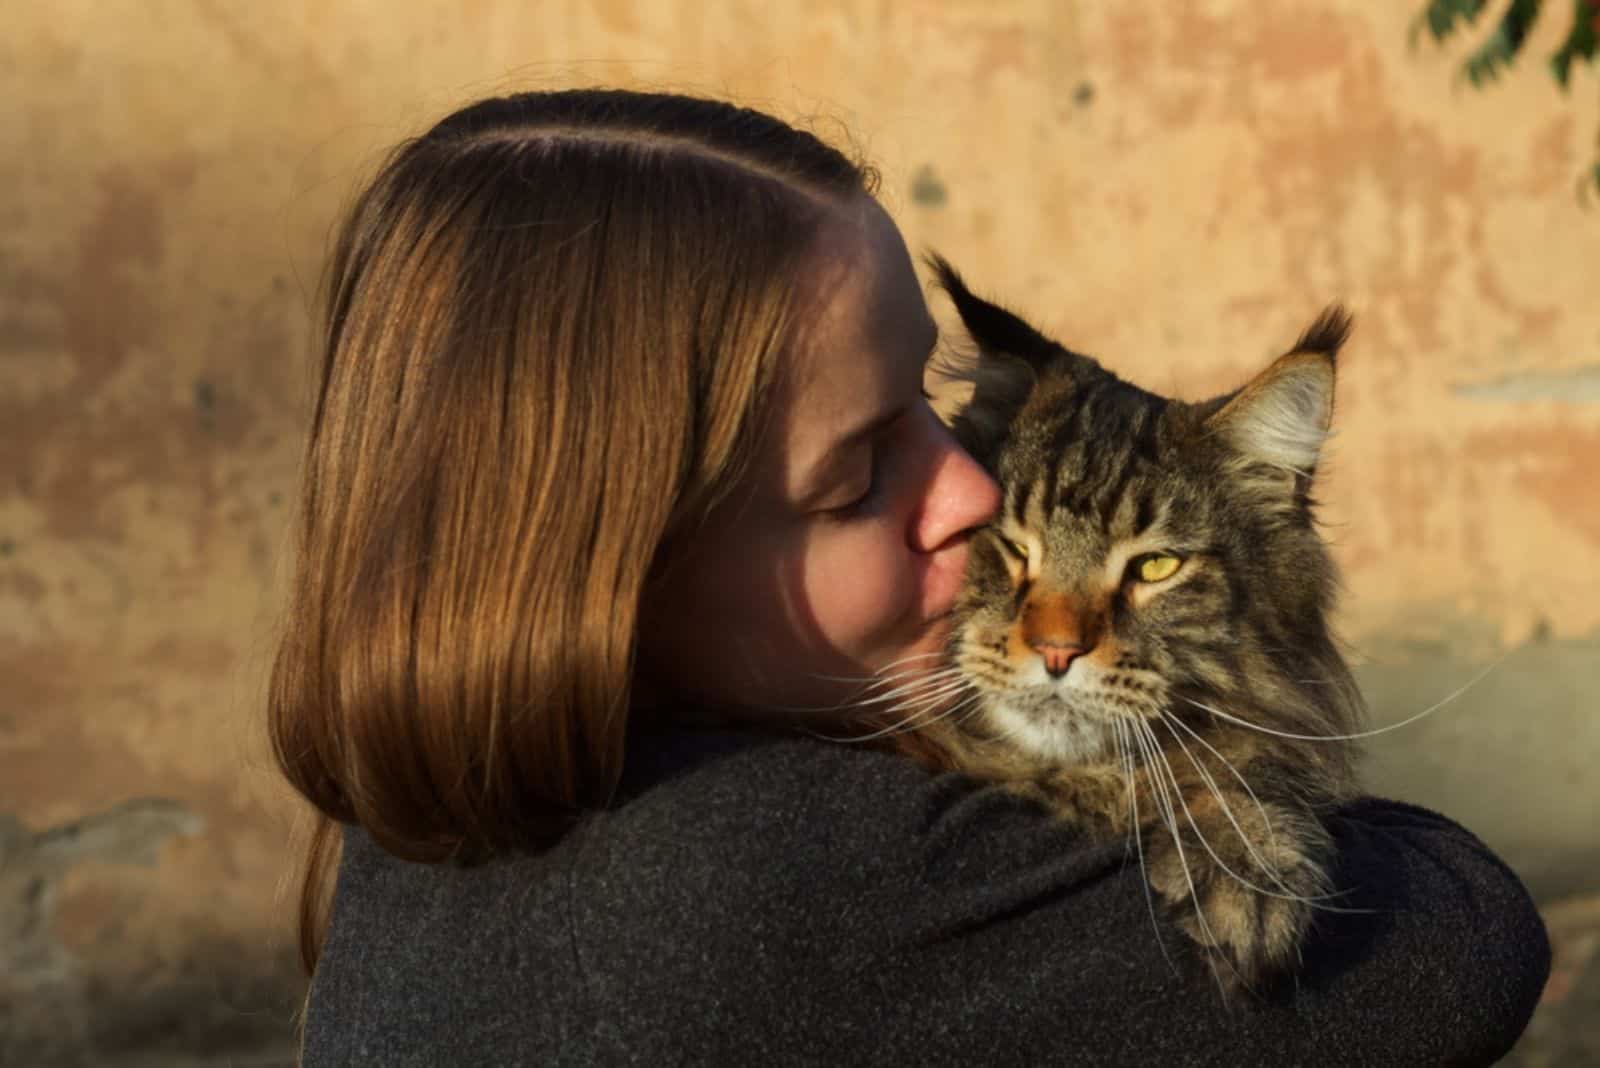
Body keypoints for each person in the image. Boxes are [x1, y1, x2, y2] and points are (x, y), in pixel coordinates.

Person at [268, 88, 1549, 1066]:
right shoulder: (779, 874)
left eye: (931, 410)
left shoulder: (417, 827)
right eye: (853, 475)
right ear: (619, 571)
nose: (974, 495)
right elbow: (1454, 949)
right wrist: (1229, 811)